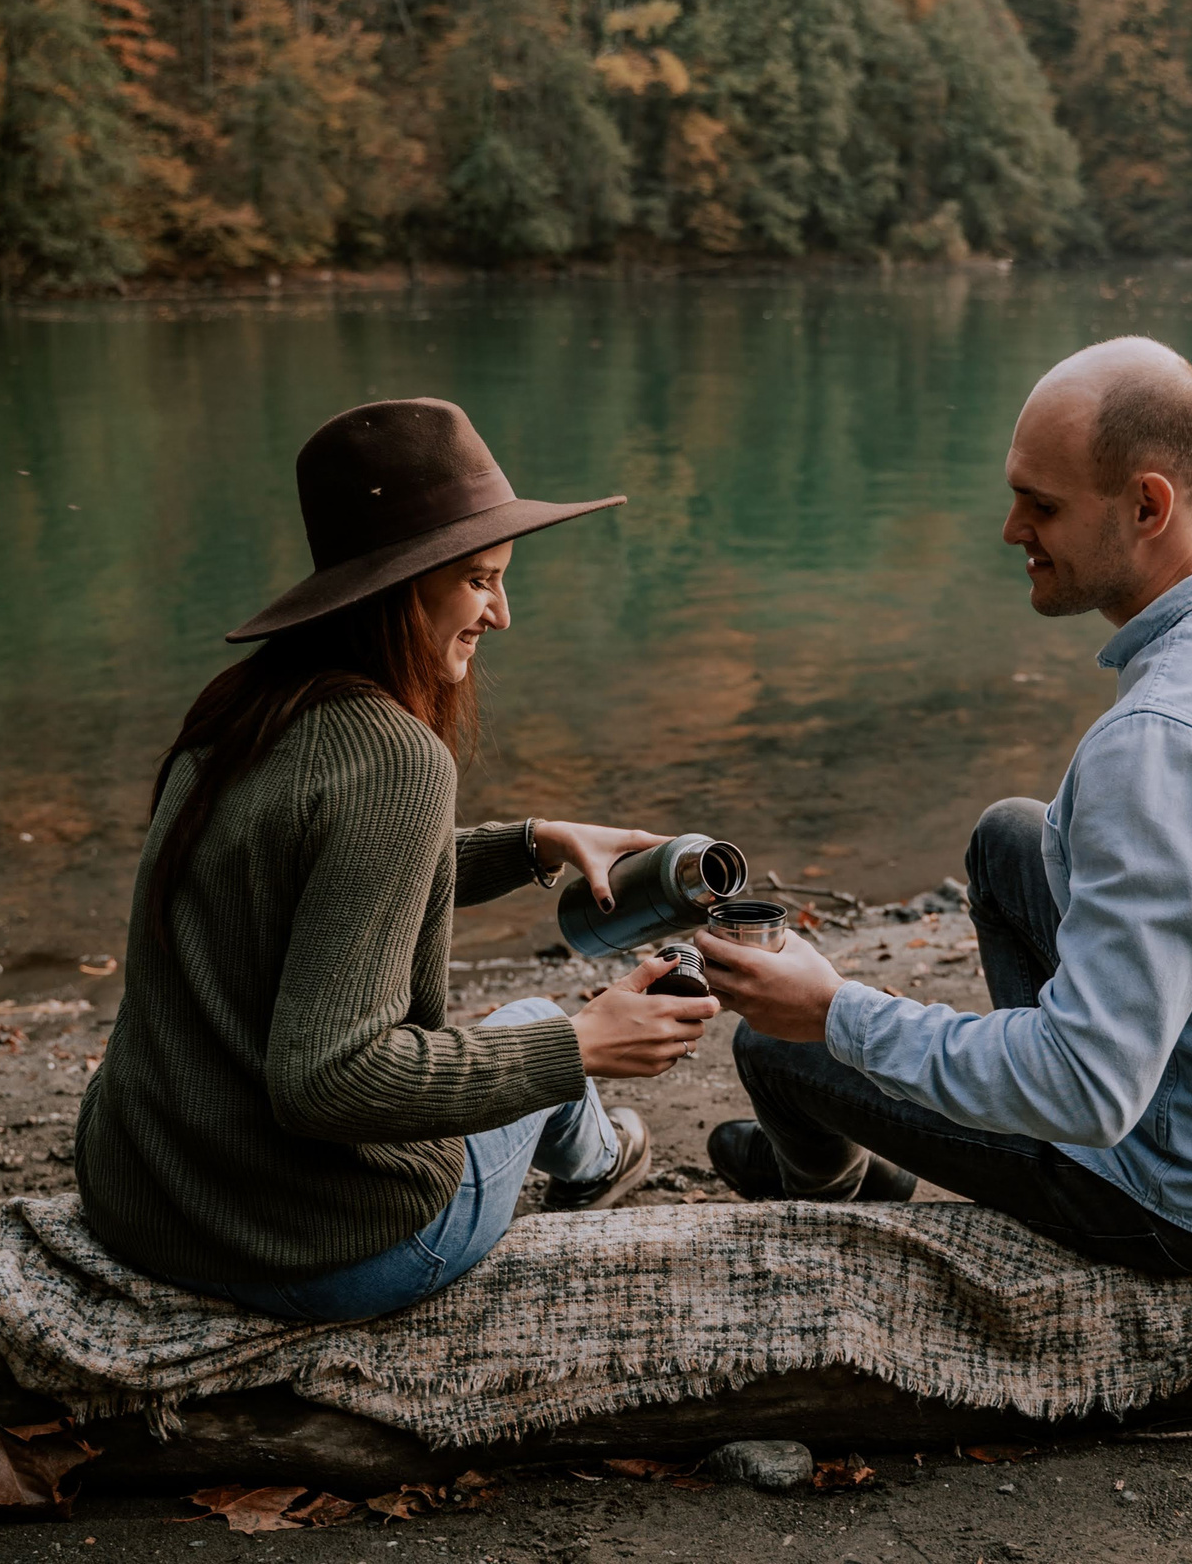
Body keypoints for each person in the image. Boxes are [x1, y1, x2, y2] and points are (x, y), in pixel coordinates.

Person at [698, 337, 1192, 1277]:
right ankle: (1010, 1115)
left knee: (778, 1048)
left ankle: (840, 1194)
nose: (1012, 529)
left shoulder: (1161, 742)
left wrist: (835, 1009)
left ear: (1146, 505)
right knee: (1011, 837)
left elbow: (1090, 1086)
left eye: (1040, 505)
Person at [77, 397, 717, 1323]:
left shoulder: (241, 714)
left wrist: (533, 843)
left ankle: (599, 1153)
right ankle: (600, 1160)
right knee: (539, 1018)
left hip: (149, 1203)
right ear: (399, 586)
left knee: (525, 1035)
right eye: (481, 581)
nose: (502, 613)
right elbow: (330, 1079)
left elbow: (316, 876)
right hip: (308, 1251)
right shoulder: (397, 760)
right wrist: (581, 1044)